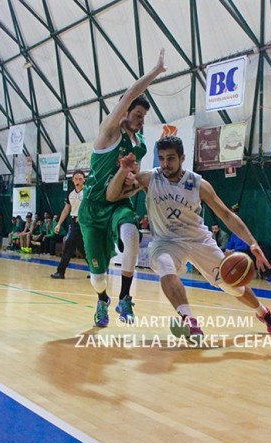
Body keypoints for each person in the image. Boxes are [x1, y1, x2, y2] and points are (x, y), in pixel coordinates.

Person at [106, 136, 271, 337]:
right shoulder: (150, 178)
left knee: (231, 284)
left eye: (171, 158)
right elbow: (112, 196)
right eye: (162, 158)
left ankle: (263, 312)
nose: (165, 164)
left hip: (199, 240)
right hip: (166, 242)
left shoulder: (199, 184)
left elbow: (226, 214)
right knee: (165, 266)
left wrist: (252, 243)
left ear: (182, 158)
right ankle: (189, 321)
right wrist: (122, 171)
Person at [78, 49, 167, 327]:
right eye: (138, 114)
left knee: (131, 235)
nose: (142, 120)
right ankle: (102, 299)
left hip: (117, 205)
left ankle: (125, 298)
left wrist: (132, 182)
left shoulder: (138, 144)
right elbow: (130, 93)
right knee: (98, 277)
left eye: (143, 116)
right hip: (92, 210)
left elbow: (130, 182)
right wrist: (155, 72)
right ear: (124, 112)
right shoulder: (109, 131)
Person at [51, 170, 86, 279]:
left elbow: (92, 207)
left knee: (69, 245)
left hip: (86, 222)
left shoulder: (87, 191)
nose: (78, 181)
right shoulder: (70, 193)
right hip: (74, 221)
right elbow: (66, 209)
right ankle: (97, 271)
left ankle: (60, 272)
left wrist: (82, 215)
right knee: (83, 249)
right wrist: (59, 224)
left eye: (80, 179)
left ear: (84, 180)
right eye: (76, 179)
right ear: (72, 180)